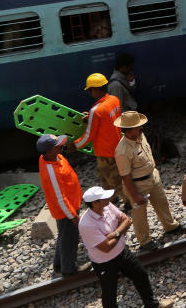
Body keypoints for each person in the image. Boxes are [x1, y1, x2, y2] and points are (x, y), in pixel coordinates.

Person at [79, 186, 175, 308]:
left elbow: (127, 220)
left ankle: (152, 305)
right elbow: (107, 247)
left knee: (140, 275)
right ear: (94, 203)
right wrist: (121, 229)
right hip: (105, 263)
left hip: (123, 252)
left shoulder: (107, 206)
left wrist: (115, 233)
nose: (108, 198)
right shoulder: (86, 224)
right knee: (110, 293)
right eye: (103, 197)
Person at [113, 111, 183, 250]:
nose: (141, 128)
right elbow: (125, 176)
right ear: (128, 130)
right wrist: (135, 195)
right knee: (139, 214)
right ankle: (144, 241)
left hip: (153, 177)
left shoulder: (140, 136)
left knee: (162, 202)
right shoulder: (122, 151)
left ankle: (170, 225)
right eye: (138, 126)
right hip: (138, 185)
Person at [37, 134, 82, 276]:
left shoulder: (53, 157)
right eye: (57, 145)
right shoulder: (52, 172)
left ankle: (59, 263)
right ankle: (69, 269)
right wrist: (72, 216)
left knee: (64, 235)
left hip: (69, 205)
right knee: (70, 238)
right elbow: (60, 198)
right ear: (50, 151)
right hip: (65, 210)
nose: (61, 146)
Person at [75, 73, 123, 202]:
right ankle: (111, 199)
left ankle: (129, 203)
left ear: (95, 89)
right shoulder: (114, 100)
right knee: (103, 178)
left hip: (105, 153)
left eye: (90, 90)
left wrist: (74, 146)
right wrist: (91, 118)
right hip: (116, 146)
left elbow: (88, 136)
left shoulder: (96, 111)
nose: (90, 93)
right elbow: (107, 119)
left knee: (116, 180)